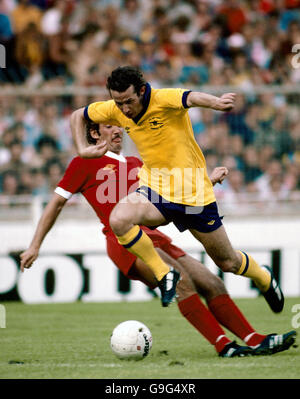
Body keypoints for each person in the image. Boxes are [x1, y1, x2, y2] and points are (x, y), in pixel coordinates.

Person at [20, 122, 296, 358]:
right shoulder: (84, 163)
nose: (117, 130)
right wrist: (35, 245)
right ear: (93, 134)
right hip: (125, 242)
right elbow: (55, 204)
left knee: (212, 282)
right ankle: (224, 346)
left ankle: (253, 339)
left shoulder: (140, 164)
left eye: (118, 125)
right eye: (108, 126)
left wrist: (207, 181)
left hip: (157, 237)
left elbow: (174, 195)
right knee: (181, 281)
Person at [70, 65, 284, 311]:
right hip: (156, 191)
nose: (124, 109)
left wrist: (215, 103)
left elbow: (191, 97)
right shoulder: (116, 109)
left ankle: (263, 277)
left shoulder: (163, 99)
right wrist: (82, 149)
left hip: (194, 198)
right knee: (118, 220)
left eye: (128, 101)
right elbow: (79, 115)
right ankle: (164, 274)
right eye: (118, 103)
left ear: (141, 91)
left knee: (228, 262)